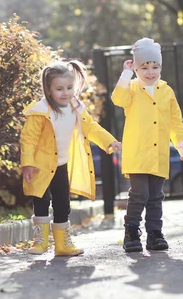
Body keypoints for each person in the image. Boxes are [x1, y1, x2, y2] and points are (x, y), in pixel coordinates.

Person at [20, 60, 121, 256]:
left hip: (61, 165)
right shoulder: (40, 112)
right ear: (48, 90)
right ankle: (40, 241)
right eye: (59, 89)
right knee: (41, 200)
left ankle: (62, 244)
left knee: (62, 203)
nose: (65, 93)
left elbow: (91, 127)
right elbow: (28, 139)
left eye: (69, 88)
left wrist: (110, 141)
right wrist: (28, 163)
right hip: (40, 166)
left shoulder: (76, 108)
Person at [111, 38, 183, 252]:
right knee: (139, 194)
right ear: (136, 68)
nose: (150, 72)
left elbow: (175, 121)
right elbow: (117, 99)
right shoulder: (132, 89)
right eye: (144, 67)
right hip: (137, 153)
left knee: (156, 196)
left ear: (160, 67)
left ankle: (155, 234)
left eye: (155, 66)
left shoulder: (167, 91)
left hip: (158, 153)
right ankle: (131, 232)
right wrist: (126, 74)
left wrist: (182, 147)